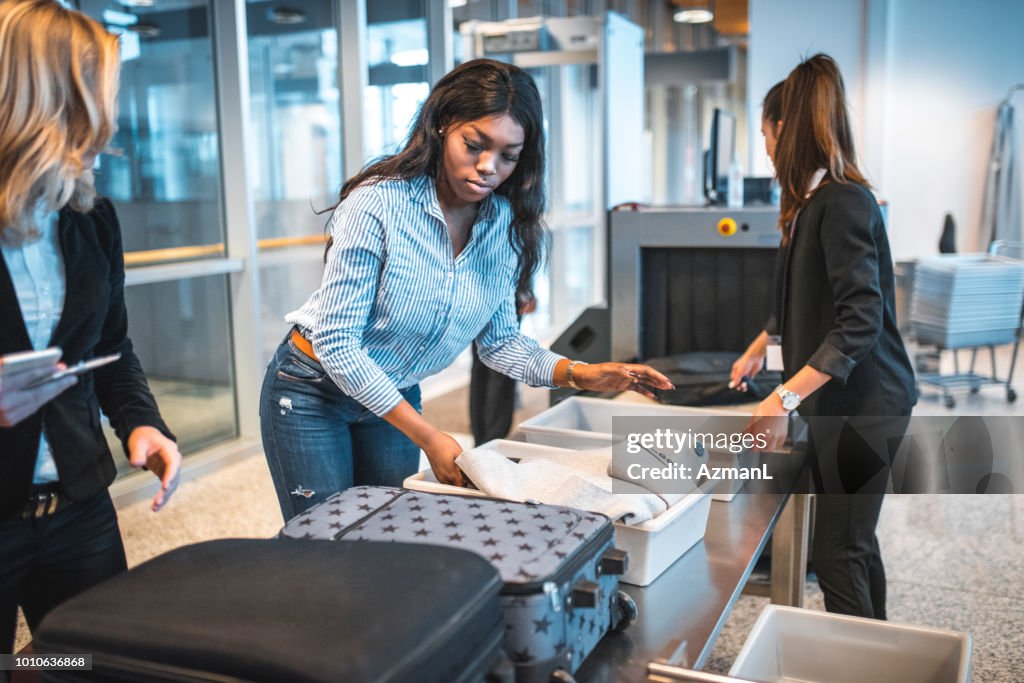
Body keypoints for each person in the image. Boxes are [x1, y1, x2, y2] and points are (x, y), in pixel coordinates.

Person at [260, 58, 673, 520]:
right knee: (323, 539)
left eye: (508, 156)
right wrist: (429, 435)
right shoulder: (378, 203)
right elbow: (337, 344)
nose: (487, 167)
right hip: (312, 390)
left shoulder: (505, 226)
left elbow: (500, 344)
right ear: (441, 125)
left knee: (383, 532)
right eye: (473, 144)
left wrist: (580, 373)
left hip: (392, 391)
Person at [0, 0, 181, 658]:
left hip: (78, 503)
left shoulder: (91, 217)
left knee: (97, 666)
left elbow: (110, 349)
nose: (112, 116)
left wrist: (141, 423)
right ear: (53, 98)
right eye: (101, 95)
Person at [733, 55, 916, 620]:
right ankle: (884, 655)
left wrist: (782, 397)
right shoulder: (810, 203)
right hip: (844, 402)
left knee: (836, 552)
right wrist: (763, 341)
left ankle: (858, 664)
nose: (764, 147)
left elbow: (859, 320)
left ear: (784, 129)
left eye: (765, 133)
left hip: (866, 406)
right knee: (854, 543)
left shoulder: (842, 201)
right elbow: (808, 292)